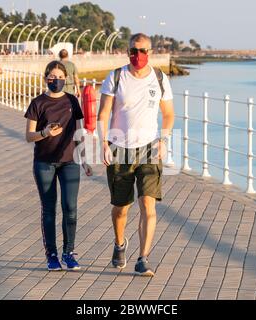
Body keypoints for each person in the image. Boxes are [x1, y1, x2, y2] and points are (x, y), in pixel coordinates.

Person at [98, 33, 175, 277]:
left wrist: (163, 140)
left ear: (149, 52)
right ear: (128, 51)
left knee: (148, 205)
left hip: (150, 149)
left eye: (142, 51)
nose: (137, 55)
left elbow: (169, 114)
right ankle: (120, 244)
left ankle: (143, 258)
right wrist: (102, 142)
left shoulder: (160, 78)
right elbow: (103, 114)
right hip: (120, 148)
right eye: (133, 50)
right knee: (121, 208)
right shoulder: (116, 77)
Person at [24, 60, 93, 271]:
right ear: (46, 78)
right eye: (53, 77)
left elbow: (79, 133)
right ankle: (52, 254)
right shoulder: (38, 103)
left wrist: (85, 159)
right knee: (49, 210)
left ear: (66, 79)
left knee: (70, 208)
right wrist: (45, 133)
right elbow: (29, 136)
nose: (57, 81)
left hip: (69, 162)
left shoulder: (72, 101)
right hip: (44, 163)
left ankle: (69, 253)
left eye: (61, 78)